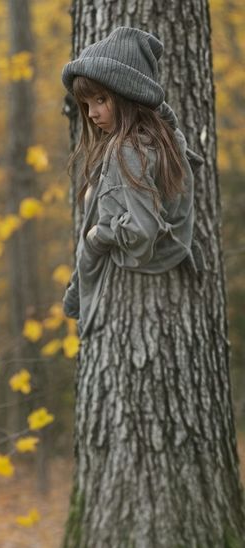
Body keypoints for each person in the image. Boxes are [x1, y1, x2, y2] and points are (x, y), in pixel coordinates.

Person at [60, 26, 199, 339]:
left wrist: (100, 235)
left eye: (101, 99)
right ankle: (73, 297)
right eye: (85, 104)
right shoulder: (162, 132)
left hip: (132, 286)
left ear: (128, 96)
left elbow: (141, 232)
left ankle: (75, 299)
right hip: (170, 259)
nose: (92, 113)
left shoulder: (128, 150)